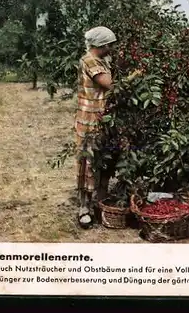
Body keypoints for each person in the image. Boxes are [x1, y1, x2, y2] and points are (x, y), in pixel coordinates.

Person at [76, 26, 141, 229]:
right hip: (90, 118)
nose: (111, 48)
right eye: (109, 45)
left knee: (105, 159)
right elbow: (112, 85)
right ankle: (84, 207)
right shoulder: (89, 61)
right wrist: (135, 76)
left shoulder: (102, 60)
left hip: (105, 116)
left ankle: (100, 201)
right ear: (101, 45)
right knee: (88, 161)